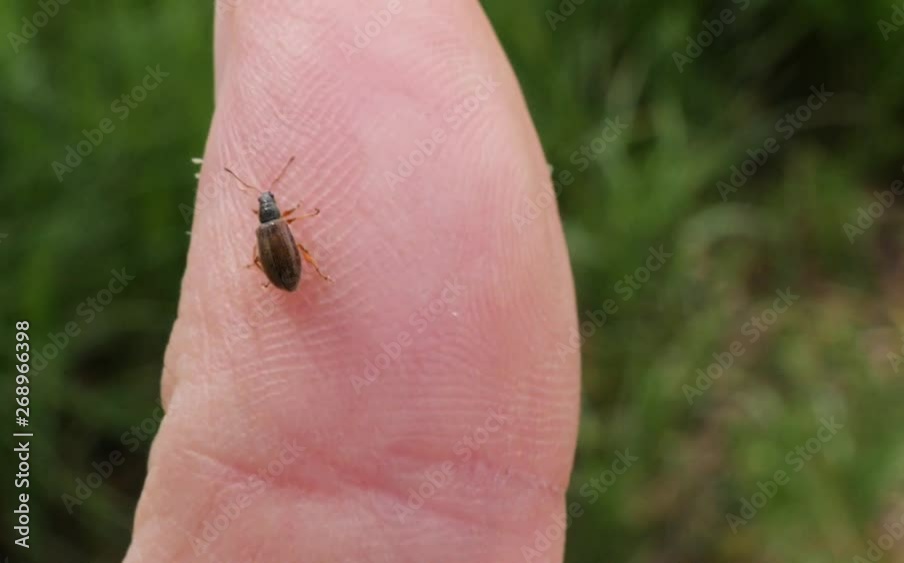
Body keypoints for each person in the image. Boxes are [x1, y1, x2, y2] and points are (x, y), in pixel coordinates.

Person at [124, 1, 580, 561]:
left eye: (269, 203)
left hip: (283, 276)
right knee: (302, 263)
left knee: (298, 266)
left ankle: (309, 275)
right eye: (269, 204)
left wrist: (281, 265)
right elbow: (278, 257)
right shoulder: (277, 229)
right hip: (286, 275)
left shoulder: (269, 232)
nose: (271, 208)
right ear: (272, 213)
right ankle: (311, 274)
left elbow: (272, 260)